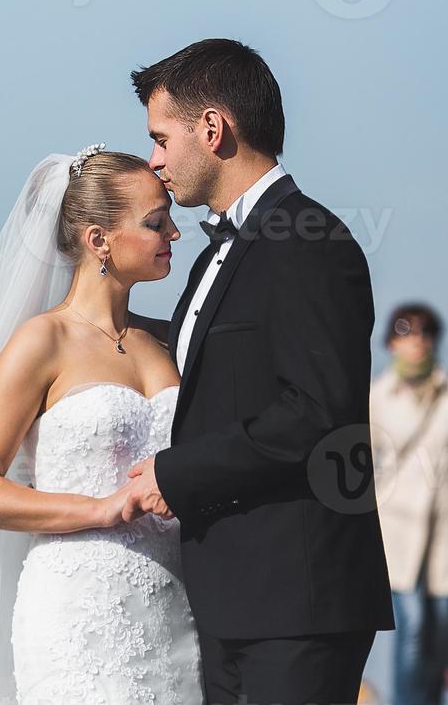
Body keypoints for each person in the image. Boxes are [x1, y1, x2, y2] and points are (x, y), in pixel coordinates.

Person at [124, 38, 396, 704]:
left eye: (161, 138)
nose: (154, 161)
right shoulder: (217, 251)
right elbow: (208, 364)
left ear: (212, 129)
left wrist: (173, 472)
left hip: (296, 603)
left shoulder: (310, 241)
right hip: (228, 596)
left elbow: (315, 414)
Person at [0, 145, 202, 703]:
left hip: (174, 611)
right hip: (79, 616)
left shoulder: (165, 341)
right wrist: (98, 508)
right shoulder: (43, 340)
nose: (174, 233)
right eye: (155, 222)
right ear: (98, 240)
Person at [368, 302, 448, 705]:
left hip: (444, 536)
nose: (416, 339)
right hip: (398, 537)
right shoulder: (376, 398)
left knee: (439, 640)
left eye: (425, 330)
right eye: (406, 330)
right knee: (414, 630)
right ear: (390, 341)